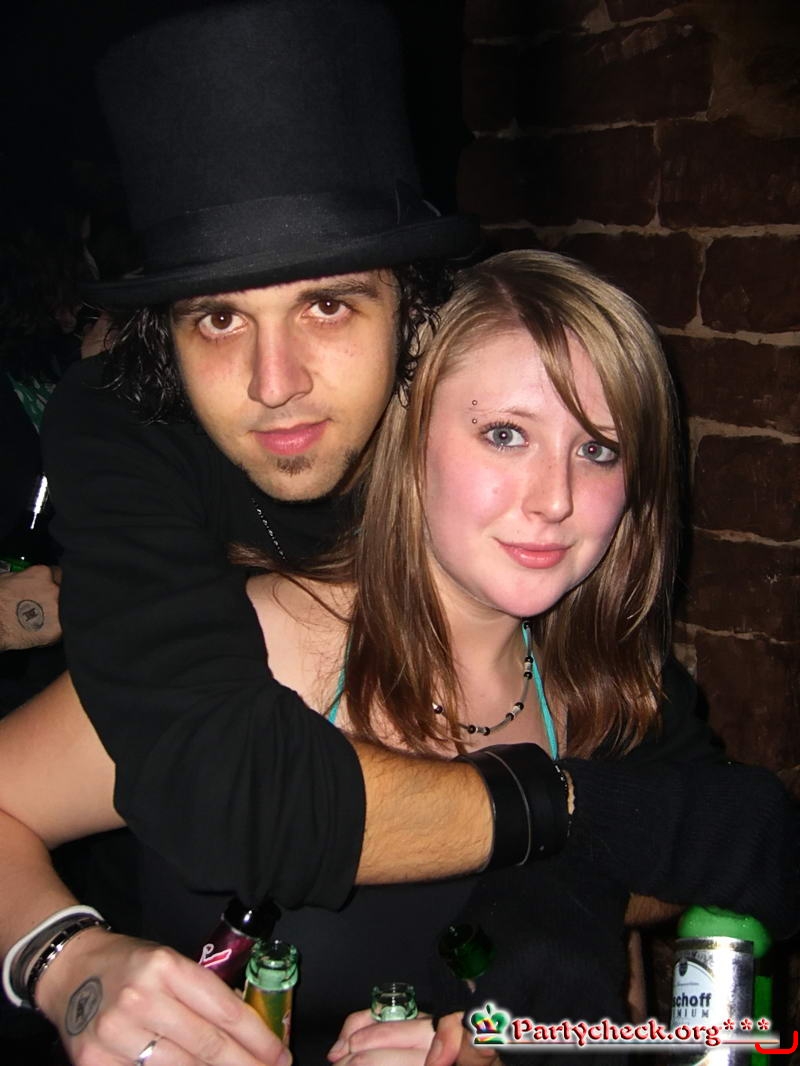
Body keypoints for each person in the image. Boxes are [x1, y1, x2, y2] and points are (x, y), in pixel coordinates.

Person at [1, 252, 797, 1066]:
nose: (554, 499)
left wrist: (509, 1043)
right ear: (409, 434)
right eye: (505, 435)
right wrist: (66, 960)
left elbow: (611, 1008)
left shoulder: (614, 702)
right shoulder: (263, 647)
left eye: (598, 450)